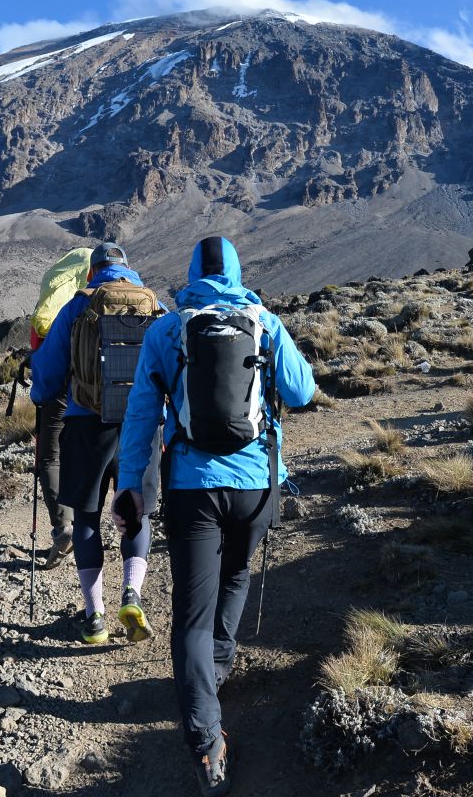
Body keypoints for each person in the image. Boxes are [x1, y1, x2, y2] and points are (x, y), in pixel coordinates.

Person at [115, 236, 315, 797]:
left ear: (191, 274)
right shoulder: (264, 322)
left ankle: (206, 737)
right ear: (236, 270)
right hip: (255, 487)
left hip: (191, 488)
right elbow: (300, 393)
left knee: (191, 613)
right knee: (236, 575)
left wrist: (132, 488)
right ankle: (213, 677)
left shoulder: (167, 330)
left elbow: (139, 418)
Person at [30, 242, 163, 645]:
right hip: (141, 426)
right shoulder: (154, 306)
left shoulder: (77, 305)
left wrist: (41, 395)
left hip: (86, 425)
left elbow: (49, 373)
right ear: (128, 270)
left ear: (93, 271)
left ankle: (95, 618)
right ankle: (132, 593)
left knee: (86, 519)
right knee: (136, 513)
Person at [28, 247, 95, 569]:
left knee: (50, 455)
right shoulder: (108, 299)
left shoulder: (53, 306)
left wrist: (40, 394)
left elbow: (39, 349)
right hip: (101, 394)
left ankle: (63, 526)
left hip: (59, 391)